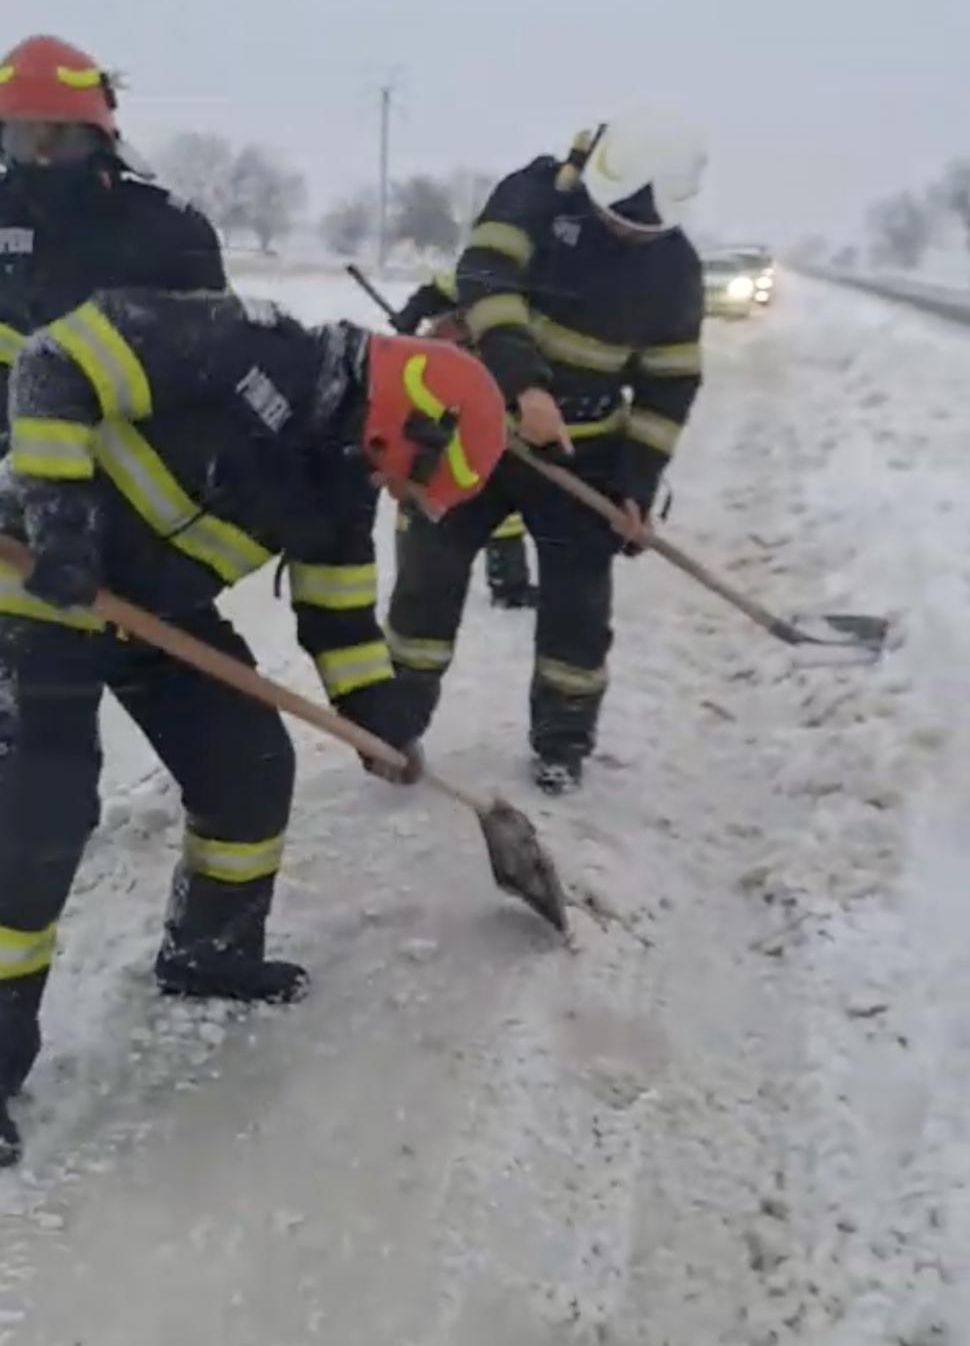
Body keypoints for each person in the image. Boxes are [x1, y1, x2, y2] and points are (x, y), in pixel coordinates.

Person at [0, 287, 506, 1166]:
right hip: (37, 579)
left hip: (155, 611)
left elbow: (338, 604)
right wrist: (61, 521)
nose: (392, 491)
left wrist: (375, 714)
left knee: (250, 762)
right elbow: (53, 363)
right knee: (38, 815)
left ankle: (210, 953)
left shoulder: (339, 478)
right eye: (406, 477)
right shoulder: (244, 347)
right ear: (406, 424)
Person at [387, 107, 707, 795]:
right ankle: (392, 726)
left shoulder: (676, 272)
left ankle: (563, 742)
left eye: (642, 227)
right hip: (474, 426)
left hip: (581, 453)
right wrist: (524, 385)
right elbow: (485, 277)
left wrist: (636, 488)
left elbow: (668, 387)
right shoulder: (533, 196)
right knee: (426, 582)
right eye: (616, 215)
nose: (624, 231)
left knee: (578, 610)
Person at [0, 33, 228, 446]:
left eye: (58, 137)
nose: (42, 156)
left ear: (98, 139)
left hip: (135, 464)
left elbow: (218, 365)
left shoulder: (171, 232)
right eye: (23, 138)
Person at [392, 269, 537, 609]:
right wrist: (412, 316)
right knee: (423, 477)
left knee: (497, 478)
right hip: (445, 384)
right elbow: (438, 289)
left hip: (493, 385)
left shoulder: (543, 295)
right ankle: (414, 577)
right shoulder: (494, 273)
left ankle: (508, 581)